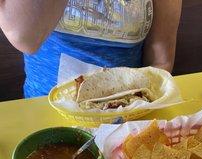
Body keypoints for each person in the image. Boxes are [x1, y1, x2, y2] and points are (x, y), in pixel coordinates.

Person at [0, 0, 182, 98]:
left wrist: (137, 108)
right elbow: (26, 37)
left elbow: (160, 59)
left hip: (125, 116)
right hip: (44, 113)